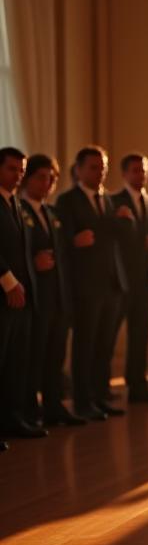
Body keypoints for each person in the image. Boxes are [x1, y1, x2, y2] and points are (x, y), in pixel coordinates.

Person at [57, 146, 127, 421]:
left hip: (110, 283)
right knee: (84, 345)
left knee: (104, 346)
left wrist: (123, 222)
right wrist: (74, 243)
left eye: (103, 168)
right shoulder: (67, 201)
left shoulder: (107, 200)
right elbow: (61, 241)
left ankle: (100, 396)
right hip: (85, 285)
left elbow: (112, 239)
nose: (100, 173)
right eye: (94, 168)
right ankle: (83, 401)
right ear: (79, 170)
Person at [19, 155, 83, 428]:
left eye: (52, 178)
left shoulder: (52, 213)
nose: (47, 183)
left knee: (56, 356)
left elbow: (65, 256)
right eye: (41, 177)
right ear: (28, 178)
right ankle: (30, 410)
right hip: (36, 298)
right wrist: (32, 264)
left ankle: (55, 405)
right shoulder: (19, 210)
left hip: (58, 297)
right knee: (35, 357)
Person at [110, 153, 148, 403]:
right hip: (120, 280)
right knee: (109, 335)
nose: (140, 175)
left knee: (141, 335)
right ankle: (101, 386)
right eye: (135, 171)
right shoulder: (114, 201)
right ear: (124, 174)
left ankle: (138, 385)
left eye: (143, 170)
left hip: (144, 279)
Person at [0, 147, 43, 440]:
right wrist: (8, 281)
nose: (17, 175)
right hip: (3, 292)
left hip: (23, 294)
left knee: (17, 361)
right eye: (12, 169)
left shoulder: (15, 202)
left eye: (21, 170)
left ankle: (13, 419)